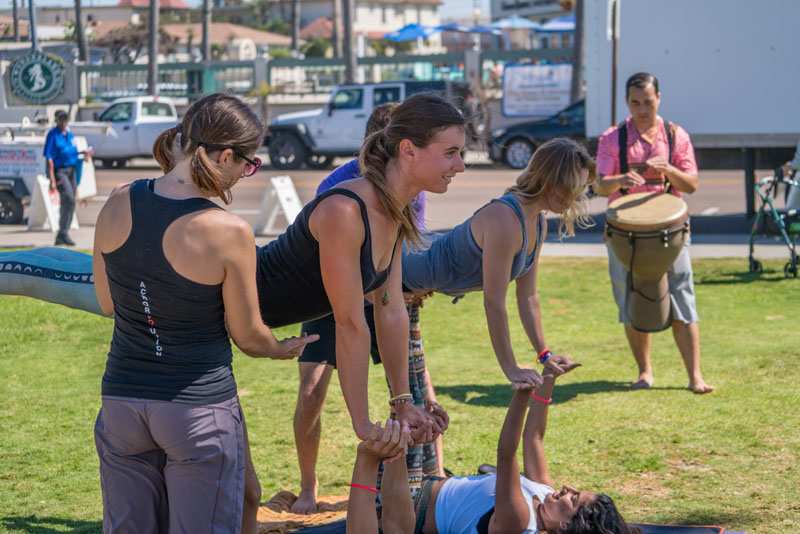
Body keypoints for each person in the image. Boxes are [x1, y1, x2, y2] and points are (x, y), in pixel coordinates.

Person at [92, 93, 317, 533]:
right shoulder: (227, 230)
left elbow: (107, 302)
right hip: (196, 409)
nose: (246, 175)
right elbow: (249, 335)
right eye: (248, 165)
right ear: (227, 155)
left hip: (121, 402)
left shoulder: (119, 199)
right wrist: (282, 348)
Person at [291, 102, 430, 513]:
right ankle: (307, 485)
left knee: (409, 389)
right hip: (329, 295)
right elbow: (328, 258)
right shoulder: (337, 187)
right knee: (312, 391)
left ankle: (411, 481)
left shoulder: (412, 191)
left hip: (381, 297)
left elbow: (399, 254)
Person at [348, 359, 643, 534]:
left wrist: (522, 396)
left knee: (403, 401)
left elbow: (506, 455)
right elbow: (534, 438)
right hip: (431, 481)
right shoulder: (542, 494)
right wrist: (548, 379)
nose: (567, 488)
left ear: (567, 527)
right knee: (417, 406)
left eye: (574, 499)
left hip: (407, 511)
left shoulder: (520, 520)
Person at [403, 138, 596, 389]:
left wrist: (544, 355)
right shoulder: (505, 219)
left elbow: (528, 297)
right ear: (551, 181)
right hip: (401, 268)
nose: (576, 197)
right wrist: (511, 369)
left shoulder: (538, 221)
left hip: (414, 284)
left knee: (415, 394)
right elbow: (494, 302)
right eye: (574, 188)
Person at [592, 72, 713, 394]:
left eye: (647, 101)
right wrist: (620, 180)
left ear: (659, 98)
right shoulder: (612, 137)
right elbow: (600, 184)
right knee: (630, 299)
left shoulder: (675, 135)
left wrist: (669, 170)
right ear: (627, 103)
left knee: (682, 296)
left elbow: (692, 184)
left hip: (670, 232)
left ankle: (695, 376)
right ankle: (644, 372)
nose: (642, 109)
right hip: (624, 234)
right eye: (635, 102)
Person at [44, 110, 83, 246]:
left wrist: (84, 153)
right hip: (60, 171)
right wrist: (52, 180)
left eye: (65, 119)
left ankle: (62, 233)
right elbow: (49, 158)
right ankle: (63, 233)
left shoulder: (69, 134)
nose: (64, 122)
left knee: (70, 202)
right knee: (69, 199)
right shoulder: (53, 135)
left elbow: (72, 151)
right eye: (61, 119)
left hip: (71, 170)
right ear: (57, 120)